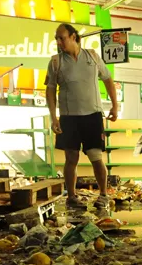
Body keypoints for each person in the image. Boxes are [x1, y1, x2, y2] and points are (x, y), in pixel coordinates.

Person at [45, 23, 118, 209]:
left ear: (74, 37)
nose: (59, 42)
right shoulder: (55, 62)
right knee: (71, 158)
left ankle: (103, 195)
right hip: (69, 118)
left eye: (62, 37)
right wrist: (54, 117)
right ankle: (71, 197)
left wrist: (115, 106)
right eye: (57, 38)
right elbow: (50, 91)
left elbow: (108, 79)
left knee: (96, 156)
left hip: (92, 116)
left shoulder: (93, 56)